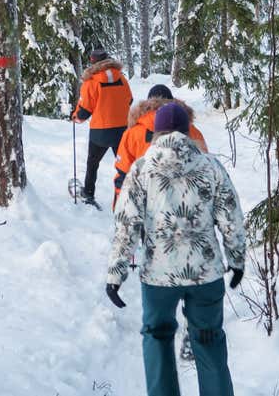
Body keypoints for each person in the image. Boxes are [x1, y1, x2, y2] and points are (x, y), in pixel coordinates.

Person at [106, 102, 245, 396]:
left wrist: (116, 274)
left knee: (157, 339)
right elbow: (230, 215)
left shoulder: (141, 169)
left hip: (159, 277)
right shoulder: (210, 166)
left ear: (157, 133)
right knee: (209, 340)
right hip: (205, 274)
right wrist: (236, 259)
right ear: (186, 131)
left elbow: (126, 224)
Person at [114, 84, 208, 202]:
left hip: (149, 202)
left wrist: (119, 206)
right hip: (188, 202)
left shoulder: (131, 134)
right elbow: (205, 168)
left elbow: (122, 174)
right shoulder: (192, 131)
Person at [72, 49, 133, 207]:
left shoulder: (91, 82)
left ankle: (89, 194)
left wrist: (76, 116)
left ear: (93, 62)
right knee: (125, 165)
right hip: (121, 130)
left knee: (93, 163)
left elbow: (84, 111)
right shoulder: (122, 79)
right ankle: (130, 195)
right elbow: (130, 100)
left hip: (101, 131)